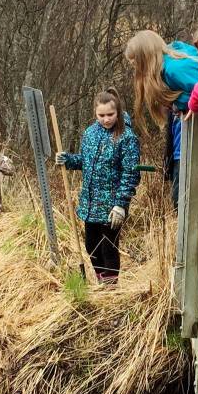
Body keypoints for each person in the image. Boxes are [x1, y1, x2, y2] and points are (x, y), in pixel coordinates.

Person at [55, 90, 141, 282]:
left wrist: (121, 204)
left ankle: (110, 289)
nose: (106, 119)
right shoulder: (90, 133)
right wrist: (67, 160)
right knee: (91, 246)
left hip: (112, 205)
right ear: (95, 113)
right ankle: (102, 280)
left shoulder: (126, 137)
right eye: (101, 115)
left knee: (108, 247)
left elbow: (131, 173)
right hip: (90, 203)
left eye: (110, 115)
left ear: (117, 112)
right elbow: (84, 161)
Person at [124, 30, 198, 209]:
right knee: (178, 200)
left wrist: (182, 104)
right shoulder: (166, 71)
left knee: (182, 201)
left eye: (136, 63)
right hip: (181, 139)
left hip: (197, 138)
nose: (135, 68)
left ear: (145, 58)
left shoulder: (175, 69)